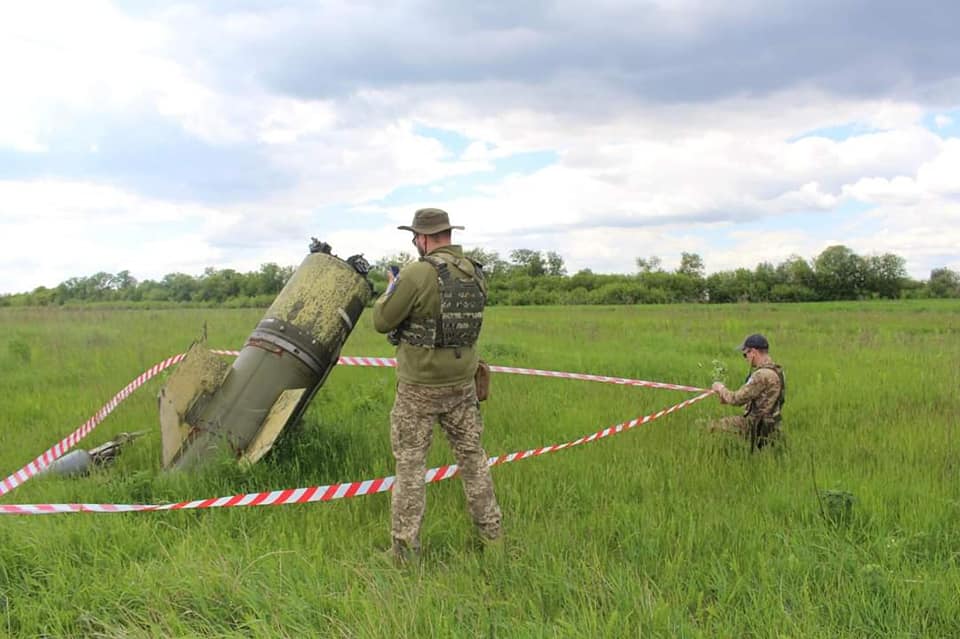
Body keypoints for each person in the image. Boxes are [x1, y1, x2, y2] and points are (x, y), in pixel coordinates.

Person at [372, 208, 502, 563]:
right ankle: (492, 539)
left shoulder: (417, 273)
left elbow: (382, 321)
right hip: (462, 384)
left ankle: (404, 551)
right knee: (474, 461)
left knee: (411, 467)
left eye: (416, 237)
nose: (416, 242)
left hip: (419, 388)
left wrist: (392, 288)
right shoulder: (475, 272)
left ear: (424, 238)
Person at [709, 333, 785, 449]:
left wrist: (720, 388)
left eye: (745, 354)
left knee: (709, 426)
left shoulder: (761, 375)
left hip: (756, 425)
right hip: (773, 426)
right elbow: (762, 399)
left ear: (753, 352)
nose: (746, 358)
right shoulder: (778, 372)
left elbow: (736, 399)